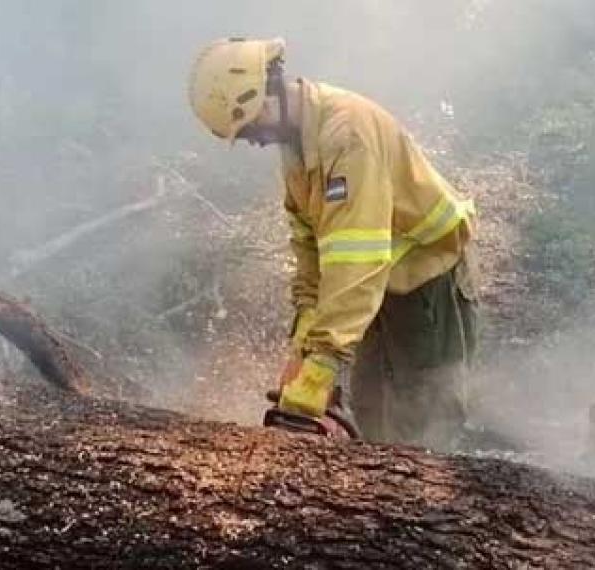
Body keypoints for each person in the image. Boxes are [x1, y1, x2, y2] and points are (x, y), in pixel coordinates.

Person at [188, 38, 478, 448]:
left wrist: (323, 361)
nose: (254, 140)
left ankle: (432, 509)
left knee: (425, 419)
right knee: (371, 408)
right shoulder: (299, 150)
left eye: (251, 126)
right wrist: (302, 348)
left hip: (426, 278)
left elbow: (359, 258)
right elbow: (309, 251)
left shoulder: (346, 133)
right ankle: (374, 502)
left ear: (267, 95)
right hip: (374, 289)